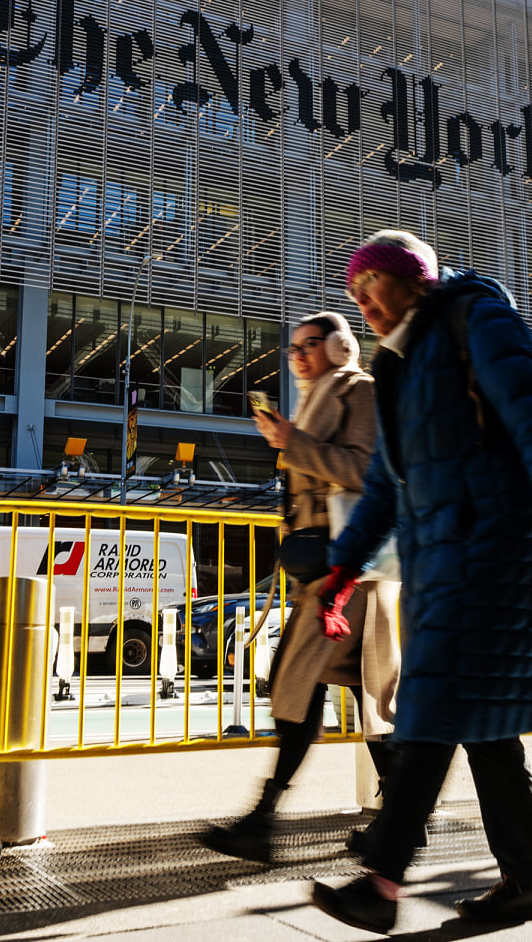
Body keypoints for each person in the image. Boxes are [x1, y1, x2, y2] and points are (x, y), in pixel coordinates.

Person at [308, 230, 532, 935]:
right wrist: (343, 568)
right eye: (354, 294)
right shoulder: (399, 363)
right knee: (483, 727)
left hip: (494, 553)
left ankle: (381, 880)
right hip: (442, 563)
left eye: (372, 283)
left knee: (433, 705)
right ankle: (530, 880)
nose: (364, 302)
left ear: (412, 277)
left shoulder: (475, 316)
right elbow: (385, 483)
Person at [199, 312, 402, 863]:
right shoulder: (324, 396)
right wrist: (289, 442)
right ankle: (401, 824)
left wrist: (294, 442)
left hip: (349, 575)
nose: (299, 356)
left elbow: (366, 470)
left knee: (306, 689)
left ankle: (263, 822)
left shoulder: (359, 389)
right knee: (359, 696)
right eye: (292, 350)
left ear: (340, 346)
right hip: (335, 575)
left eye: (309, 345)